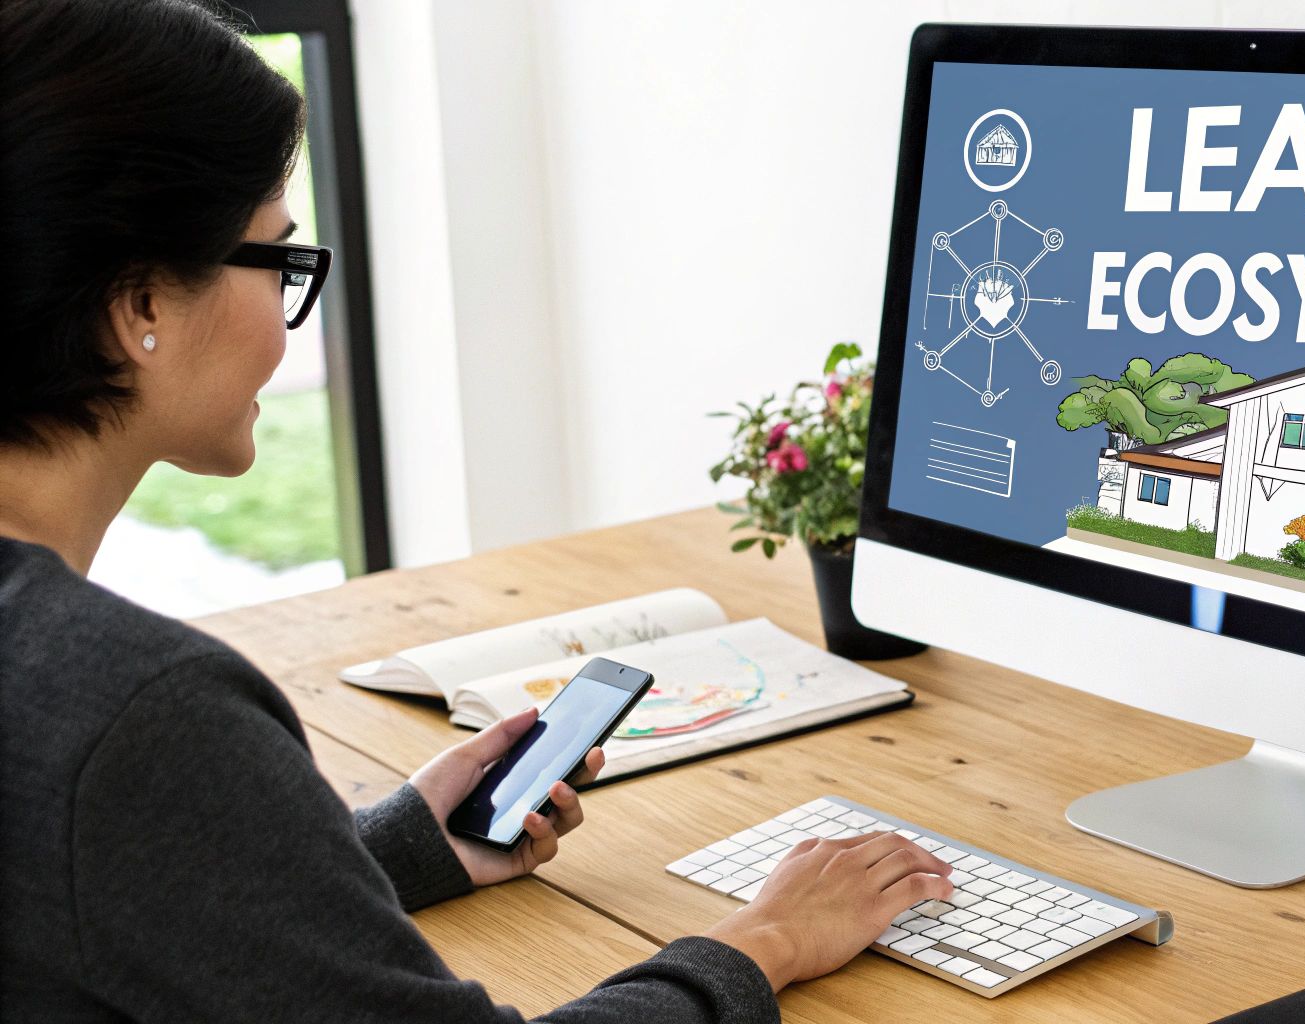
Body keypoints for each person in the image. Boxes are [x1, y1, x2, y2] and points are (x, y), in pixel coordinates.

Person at [0, 1, 954, 1021]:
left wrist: (386, 847)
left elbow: (91, 894)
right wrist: (765, 938)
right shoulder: (142, 717)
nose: (285, 319)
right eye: (278, 261)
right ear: (140, 302)